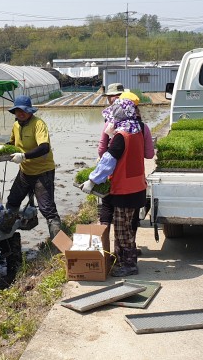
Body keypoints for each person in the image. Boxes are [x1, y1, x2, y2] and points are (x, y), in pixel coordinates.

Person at [82, 98, 147, 277]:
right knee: (126, 227)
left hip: (125, 190)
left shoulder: (122, 136)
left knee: (122, 230)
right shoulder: (137, 130)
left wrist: (92, 180)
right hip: (137, 187)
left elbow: (109, 160)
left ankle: (129, 265)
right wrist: (112, 135)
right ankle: (123, 260)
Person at [0, 95, 62, 239]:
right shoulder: (16, 125)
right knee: (12, 201)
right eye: (17, 111)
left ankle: (59, 247)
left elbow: (44, 147)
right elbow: (12, 144)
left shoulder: (38, 124)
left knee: (48, 210)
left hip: (42, 172)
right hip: (25, 172)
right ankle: (4, 233)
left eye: (24, 110)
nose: (21, 113)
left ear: (30, 111)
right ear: (14, 112)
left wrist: (24, 156)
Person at [97, 90, 154, 246]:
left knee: (117, 224)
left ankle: (113, 255)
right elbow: (149, 155)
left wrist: (95, 177)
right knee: (130, 222)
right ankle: (128, 252)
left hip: (119, 183)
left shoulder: (120, 133)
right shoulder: (141, 128)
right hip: (137, 183)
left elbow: (105, 154)